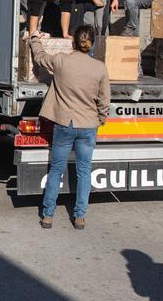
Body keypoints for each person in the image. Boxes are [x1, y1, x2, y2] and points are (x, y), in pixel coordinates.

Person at [29, 24, 109, 230]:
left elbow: (40, 57)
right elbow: (104, 101)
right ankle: (80, 216)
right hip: (88, 125)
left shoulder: (61, 61)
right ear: (92, 44)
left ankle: (48, 215)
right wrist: (100, 119)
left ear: (73, 42)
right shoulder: (99, 67)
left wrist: (34, 38)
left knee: (56, 169)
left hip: (64, 123)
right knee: (84, 171)